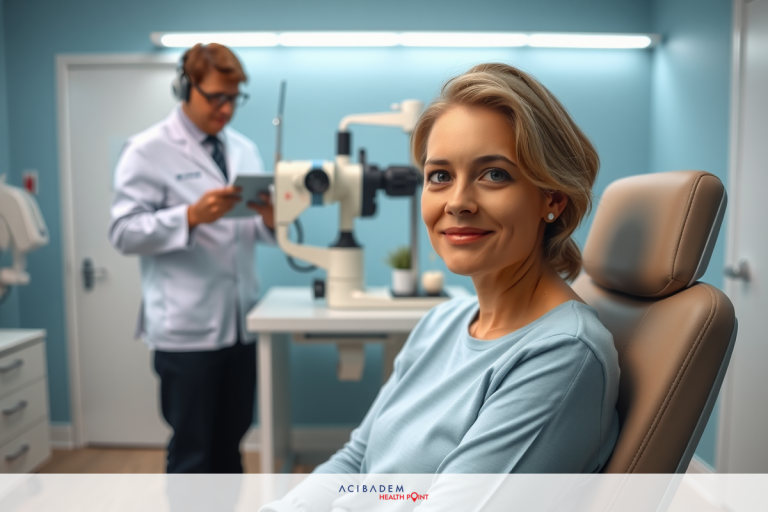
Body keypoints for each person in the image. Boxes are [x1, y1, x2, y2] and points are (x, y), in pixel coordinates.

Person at [262, 61, 620, 511]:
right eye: (440, 176)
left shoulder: (561, 355)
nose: (458, 202)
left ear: (552, 197)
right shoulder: (443, 320)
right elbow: (357, 461)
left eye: (494, 174)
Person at [109, 43, 274, 473]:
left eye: (233, 99)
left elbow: (251, 231)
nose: (225, 109)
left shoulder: (243, 149)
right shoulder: (147, 149)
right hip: (187, 334)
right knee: (194, 452)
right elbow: (123, 233)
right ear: (185, 88)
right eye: (215, 97)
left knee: (231, 444)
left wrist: (273, 219)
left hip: (240, 325)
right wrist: (189, 217)